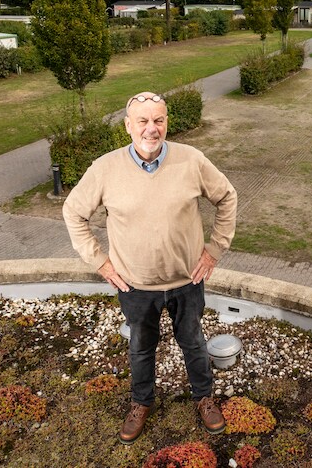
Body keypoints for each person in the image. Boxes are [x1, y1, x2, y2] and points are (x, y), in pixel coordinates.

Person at [63, 91, 238, 445]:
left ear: (166, 123)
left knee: (193, 342)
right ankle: (141, 402)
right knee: (141, 347)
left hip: (187, 280)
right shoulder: (105, 169)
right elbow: (73, 212)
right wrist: (101, 262)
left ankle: (204, 398)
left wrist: (215, 249)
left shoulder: (191, 160)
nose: (151, 128)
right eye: (142, 121)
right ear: (128, 126)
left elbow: (227, 197)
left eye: (158, 120)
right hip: (135, 286)